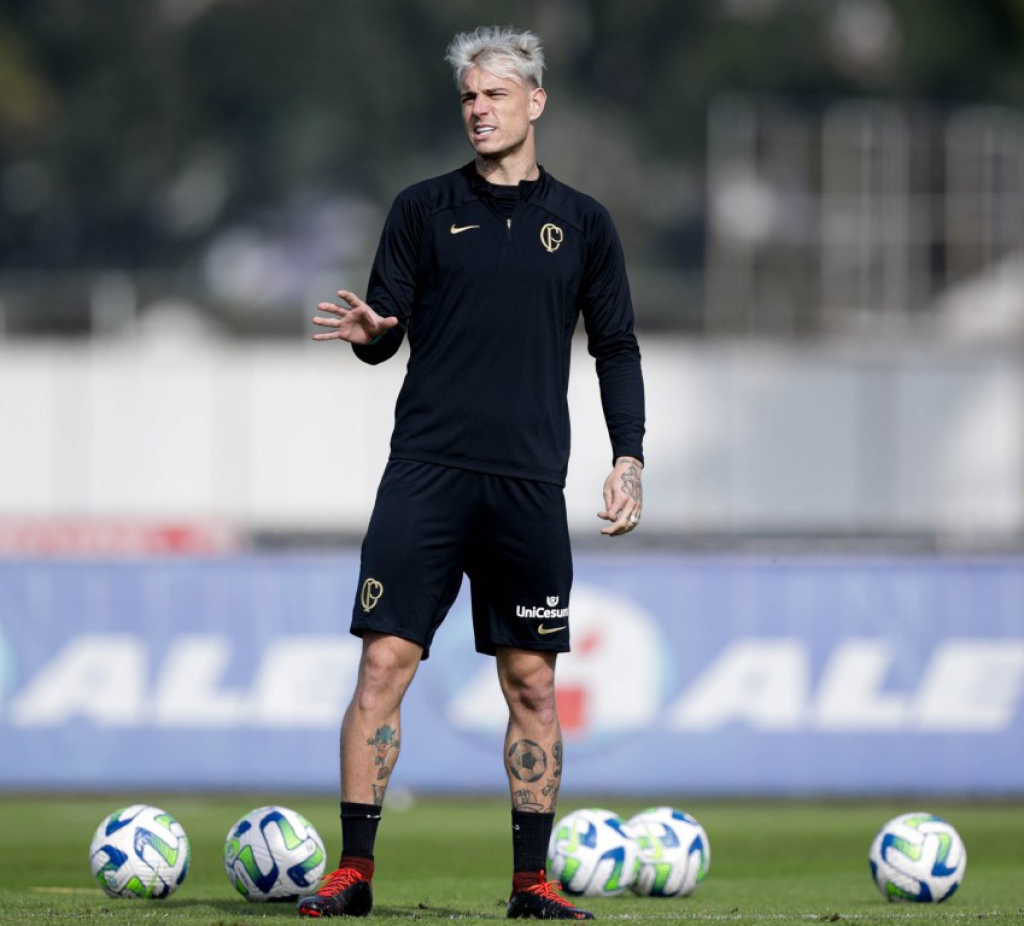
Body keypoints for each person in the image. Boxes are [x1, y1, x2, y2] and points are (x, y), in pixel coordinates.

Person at [297, 24, 645, 921]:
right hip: (427, 472)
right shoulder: (419, 208)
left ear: (535, 102)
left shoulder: (584, 223)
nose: (478, 110)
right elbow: (385, 333)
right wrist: (376, 336)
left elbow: (615, 348)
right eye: (467, 97)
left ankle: (532, 883)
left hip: (527, 484)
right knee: (384, 662)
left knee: (531, 680)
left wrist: (628, 457)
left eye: (494, 94)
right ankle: (355, 872)